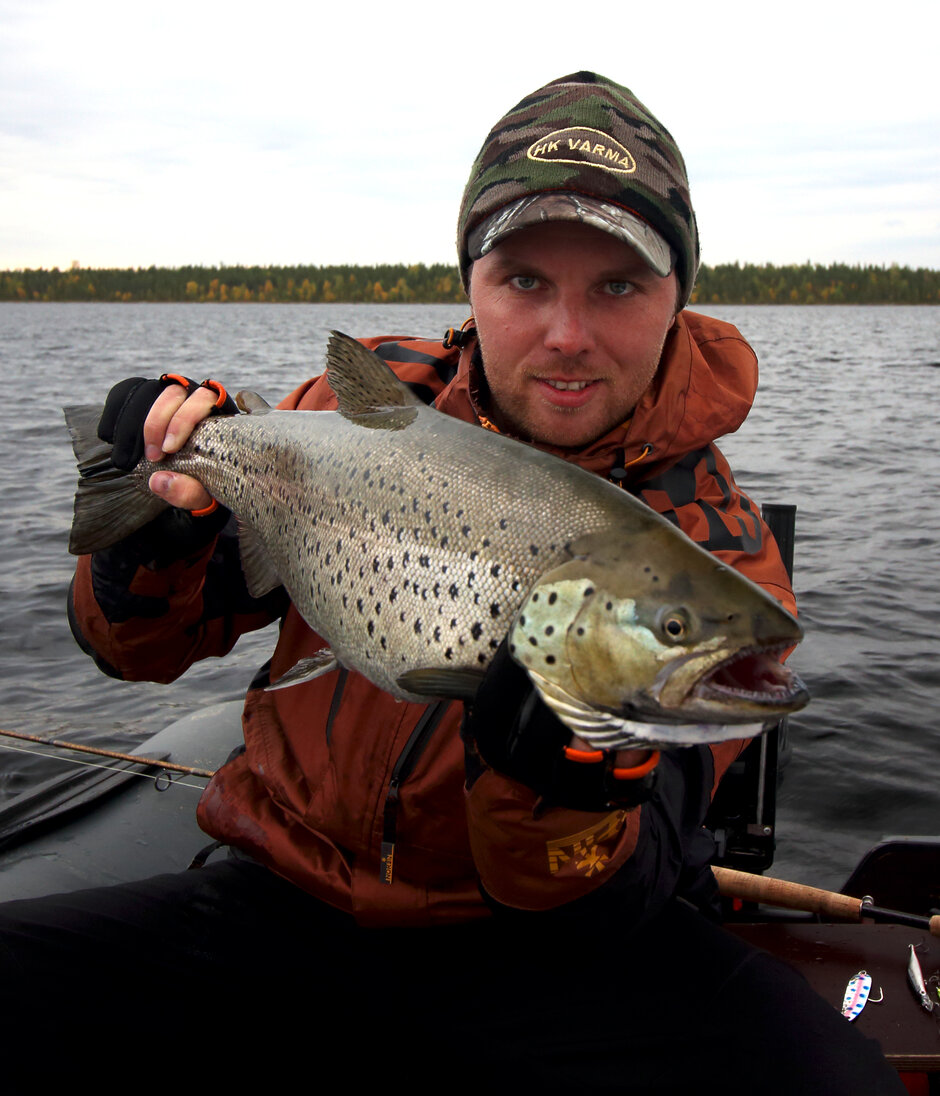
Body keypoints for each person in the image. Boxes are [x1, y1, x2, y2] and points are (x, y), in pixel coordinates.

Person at [0, 73, 904, 1094]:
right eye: (524, 280)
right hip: (280, 904)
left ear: (677, 297)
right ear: (470, 282)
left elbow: (608, 898)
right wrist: (144, 529)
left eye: (616, 284)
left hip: (551, 963)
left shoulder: (718, 548)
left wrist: (558, 792)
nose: (567, 333)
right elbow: (131, 653)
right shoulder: (347, 416)